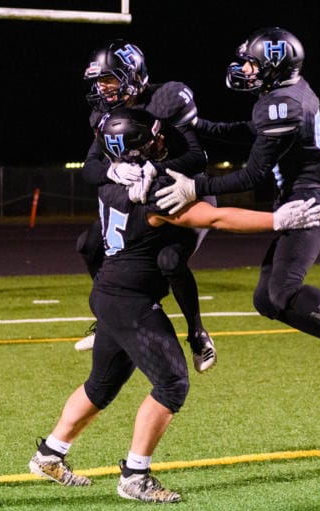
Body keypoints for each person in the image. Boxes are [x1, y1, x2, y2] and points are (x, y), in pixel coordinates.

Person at [29, 108, 320, 503]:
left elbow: (101, 178)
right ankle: (135, 476)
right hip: (130, 300)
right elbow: (215, 218)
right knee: (171, 384)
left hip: (110, 293)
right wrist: (276, 220)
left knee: (101, 385)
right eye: (149, 142)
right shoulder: (150, 189)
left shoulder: (112, 182)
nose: (159, 142)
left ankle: (50, 453)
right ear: (131, 154)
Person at [155, 27, 320, 392]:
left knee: (285, 289)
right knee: (266, 300)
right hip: (301, 197)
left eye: (253, 64)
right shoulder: (285, 96)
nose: (246, 70)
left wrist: (195, 186)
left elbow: (252, 174)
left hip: (311, 203)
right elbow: (253, 130)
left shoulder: (283, 105)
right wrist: (200, 126)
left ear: (274, 67)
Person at [74, 39, 218, 373]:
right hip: (142, 198)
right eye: (99, 81)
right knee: (89, 244)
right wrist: (112, 169)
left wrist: (157, 168)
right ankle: (109, 318)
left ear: (132, 74)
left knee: (169, 259)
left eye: (109, 79)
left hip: (182, 190)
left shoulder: (167, 100)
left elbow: (198, 157)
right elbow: (90, 167)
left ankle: (197, 332)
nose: (102, 88)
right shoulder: (103, 115)